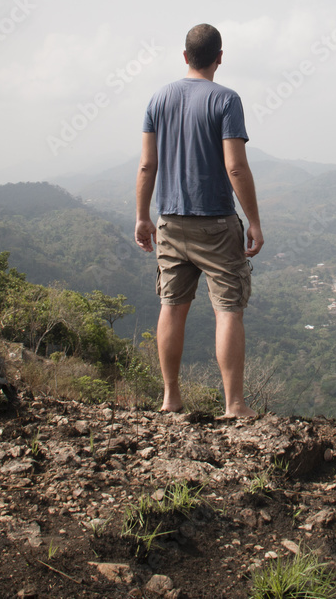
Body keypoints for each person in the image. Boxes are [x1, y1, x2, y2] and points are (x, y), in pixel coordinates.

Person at [134, 23, 263, 417]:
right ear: (219, 58)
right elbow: (236, 168)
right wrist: (254, 221)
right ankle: (235, 406)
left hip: (170, 222)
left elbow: (147, 165)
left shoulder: (159, 99)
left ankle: (171, 398)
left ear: (185, 56)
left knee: (171, 307)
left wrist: (142, 216)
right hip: (217, 225)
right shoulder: (226, 101)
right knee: (228, 311)